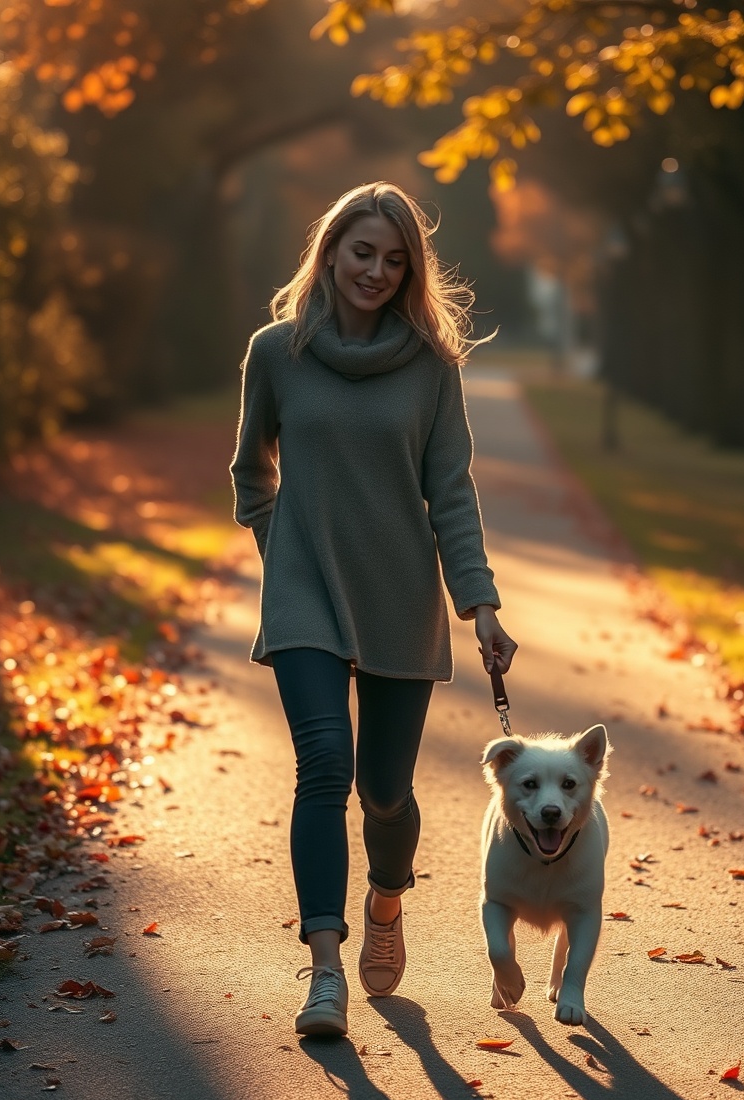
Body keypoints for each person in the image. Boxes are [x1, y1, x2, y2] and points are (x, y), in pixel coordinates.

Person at [230, 181, 517, 1037]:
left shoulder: (431, 368)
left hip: (400, 594)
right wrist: (282, 555)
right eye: (364, 253)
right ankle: (324, 973)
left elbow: (451, 494)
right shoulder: (276, 352)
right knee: (322, 763)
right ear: (330, 250)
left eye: (396, 262)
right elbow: (253, 475)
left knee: (383, 791)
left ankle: (387, 900)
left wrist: (482, 604)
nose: (378, 272)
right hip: (305, 593)